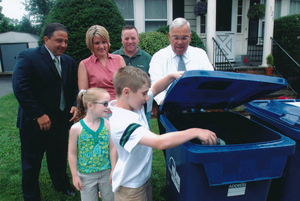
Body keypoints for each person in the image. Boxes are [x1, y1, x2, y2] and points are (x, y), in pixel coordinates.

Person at [109, 66, 217, 200]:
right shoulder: (123, 123)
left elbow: (155, 90)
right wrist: (195, 131)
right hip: (130, 188)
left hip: (141, 178)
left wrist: (171, 76)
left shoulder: (133, 104)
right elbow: (159, 142)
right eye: (144, 93)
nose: (147, 98)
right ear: (127, 92)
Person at [12, 22, 78, 200]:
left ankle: (61, 185)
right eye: (59, 41)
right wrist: (38, 114)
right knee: (31, 163)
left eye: (65, 41)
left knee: (58, 158)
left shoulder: (69, 62)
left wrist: (75, 104)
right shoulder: (27, 56)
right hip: (34, 122)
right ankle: (31, 195)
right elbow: (20, 88)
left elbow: (74, 89)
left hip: (61, 122)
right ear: (46, 40)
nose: (63, 45)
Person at [148, 17, 214, 135]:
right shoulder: (159, 57)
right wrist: (164, 101)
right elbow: (155, 82)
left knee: (196, 145)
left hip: (196, 112)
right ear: (169, 36)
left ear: (190, 37)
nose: (180, 42)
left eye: (184, 38)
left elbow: (210, 79)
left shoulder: (200, 54)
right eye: (175, 38)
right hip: (168, 113)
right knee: (171, 151)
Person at [68, 88, 116, 201]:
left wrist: (114, 169)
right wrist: (75, 175)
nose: (108, 107)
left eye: (108, 103)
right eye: (104, 104)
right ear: (90, 105)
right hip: (86, 176)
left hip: (106, 173)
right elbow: (72, 153)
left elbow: (113, 148)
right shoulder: (76, 128)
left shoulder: (107, 125)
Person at [78, 25, 126, 118]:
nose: (101, 46)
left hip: (120, 110)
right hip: (98, 113)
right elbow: (84, 95)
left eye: (104, 42)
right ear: (90, 45)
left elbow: (127, 86)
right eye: (97, 43)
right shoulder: (84, 64)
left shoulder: (119, 59)